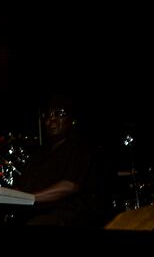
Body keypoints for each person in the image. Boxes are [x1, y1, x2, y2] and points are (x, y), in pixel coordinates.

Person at [10, 93, 102, 226]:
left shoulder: (80, 146)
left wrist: (30, 198)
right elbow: (22, 186)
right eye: (47, 115)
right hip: (35, 213)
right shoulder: (39, 154)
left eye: (58, 113)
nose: (51, 119)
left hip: (69, 215)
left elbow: (70, 186)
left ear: (71, 119)